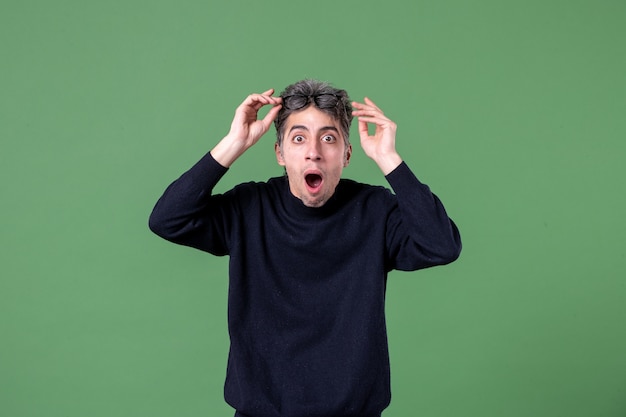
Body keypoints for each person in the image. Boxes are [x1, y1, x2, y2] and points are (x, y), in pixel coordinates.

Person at [149, 79, 462, 417]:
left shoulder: (376, 211)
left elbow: (441, 246)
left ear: (347, 154)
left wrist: (389, 160)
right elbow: (167, 219)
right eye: (298, 139)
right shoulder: (248, 208)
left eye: (329, 138)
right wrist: (233, 143)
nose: (314, 151)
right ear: (280, 154)